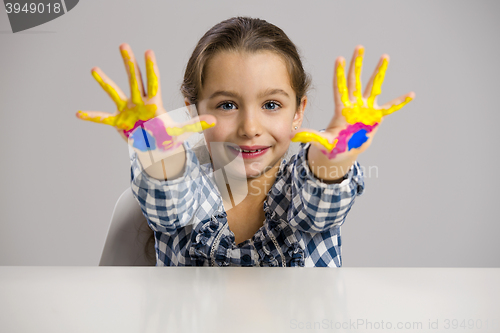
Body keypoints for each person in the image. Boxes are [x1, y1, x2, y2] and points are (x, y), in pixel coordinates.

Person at [77, 16, 414, 267]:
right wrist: (160, 151)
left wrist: (336, 157)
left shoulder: (300, 189)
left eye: (271, 105)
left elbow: (320, 200)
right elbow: (170, 200)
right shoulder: (187, 191)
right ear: (193, 111)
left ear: (299, 112)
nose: (250, 127)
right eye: (227, 105)